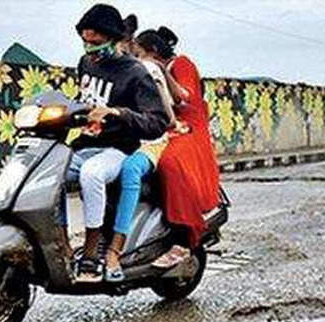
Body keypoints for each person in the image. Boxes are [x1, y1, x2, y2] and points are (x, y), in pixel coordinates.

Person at [64, 4, 170, 283]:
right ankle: (59, 245)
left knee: (92, 174)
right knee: (49, 173)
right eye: (85, 42)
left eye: (96, 44)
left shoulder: (135, 73)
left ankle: (95, 249)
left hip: (118, 149)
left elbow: (157, 121)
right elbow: (83, 99)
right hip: (85, 145)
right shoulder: (85, 64)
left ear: (114, 40)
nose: (90, 50)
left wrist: (118, 113)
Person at [102, 20, 180, 282]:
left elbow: (164, 118)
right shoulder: (110, 71)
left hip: (151, 138)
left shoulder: (143, 69)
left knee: (130, 170)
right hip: (127, 137)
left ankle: (118, 245)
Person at [140, 26, 222, 269]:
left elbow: (183, 97)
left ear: (153, 52)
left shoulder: (180, 64)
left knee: (168, 163)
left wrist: (162, 73)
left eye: (139, 54)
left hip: (189, 128)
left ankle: (182, 238)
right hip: (165, 126)